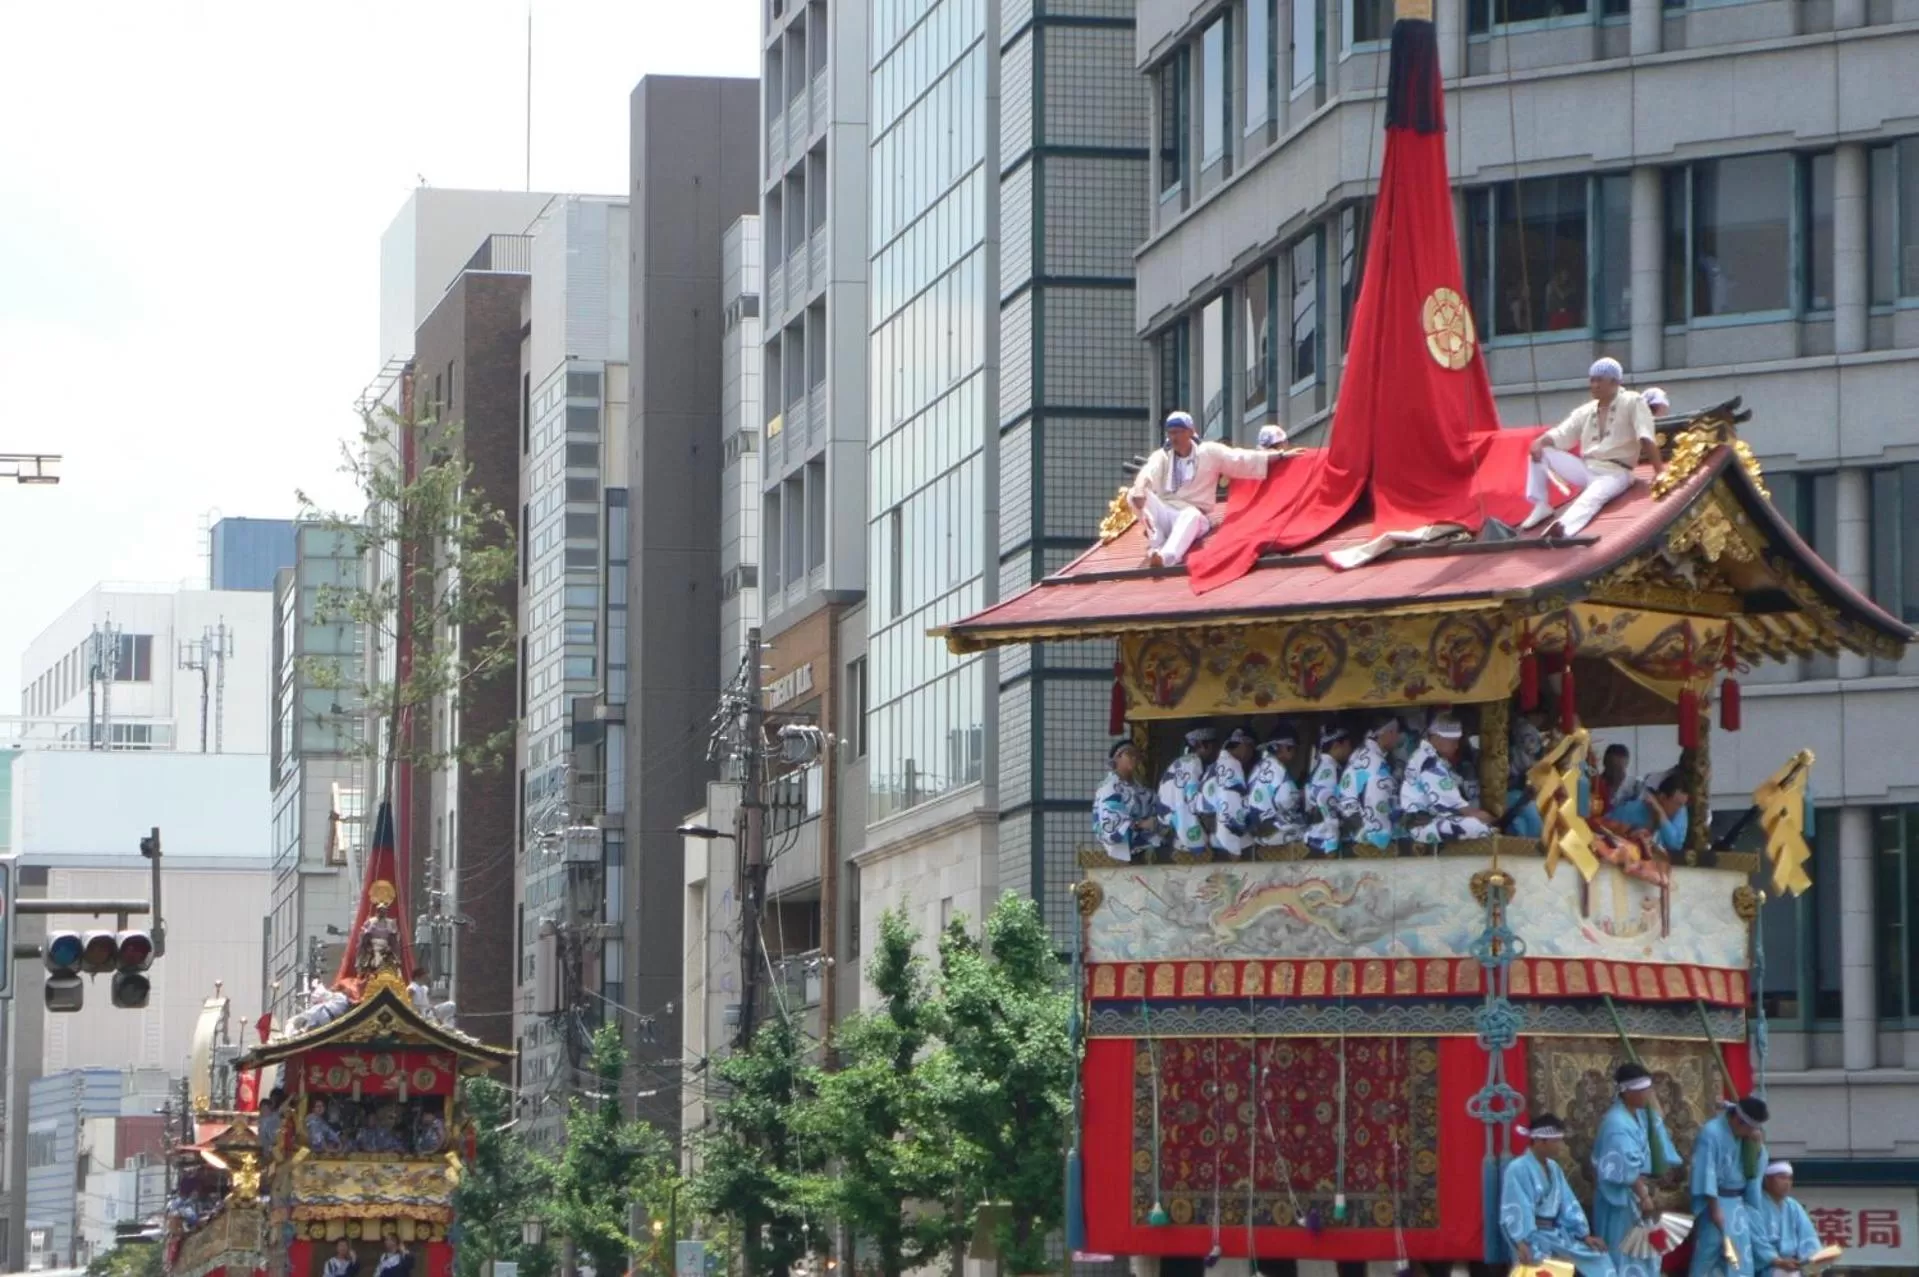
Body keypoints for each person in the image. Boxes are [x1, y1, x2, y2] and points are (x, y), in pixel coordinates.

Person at [1523, 358, 1662, 537]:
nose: (1594, 385)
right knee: (1541, 451)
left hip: (1615, 472)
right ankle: (1541, 504)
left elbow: (1645, 435)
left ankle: (1563, 529)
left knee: (1591, 497)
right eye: (1592, 380)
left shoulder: (1632, 401)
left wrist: (1659, 472)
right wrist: (1540, 442)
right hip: (1586, 468)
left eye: (1599, 380)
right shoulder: (1586, 410)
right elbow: (1563, 433)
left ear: (1615, 382)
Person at [1128, 410, 1278, 568]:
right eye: (1171, 433)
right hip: (1167, 512)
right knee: (1133, 494)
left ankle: (1166, 558)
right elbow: (1146, 472)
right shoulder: (1163, 456)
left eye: (1178, 432)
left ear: (1190, 432)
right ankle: (1156, 543)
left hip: (1194, 515)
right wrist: (1139, 491)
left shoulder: (1208, 452)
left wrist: (1278, 456)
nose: (1174, 437)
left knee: (1190, 515)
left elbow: (1239, 458)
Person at [1592, 1062, 1684, 1277]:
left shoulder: (1638, 1116)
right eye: (1644, 1090)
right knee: (1623, 1253)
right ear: (1628, 1092)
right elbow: (1624, 1169)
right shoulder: (1616, 1124)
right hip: (1620, 1199)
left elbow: (1657, 1124)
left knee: (1643, 1254)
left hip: (1633, 1194)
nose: (1648, 1095)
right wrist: (1643, 1195)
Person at [1502, 1112, 1617, 1277]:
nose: (1560, 1146)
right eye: (1556, 1141)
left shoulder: (1554, 1167)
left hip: (1556, 1234)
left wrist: (1584, 1236)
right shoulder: (1517, 1168)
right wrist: (1521, 1243)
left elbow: (1567, 1202)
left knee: (1599, 1258)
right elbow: (1515, 1208)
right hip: (1531, 1237)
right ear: (1541, 1141)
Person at [1690, 1095, 1771, 1277]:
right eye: (1751, 1127)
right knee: (1708, 1254)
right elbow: (1705, 1171)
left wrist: (1757, 1146)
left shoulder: (1747, 1137)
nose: (1752, 1132)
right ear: (1739, 1120)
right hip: (1716, 1201)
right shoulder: (1711, 1133)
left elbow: (1754, 1170)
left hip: (1738, 1204)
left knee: (1739, 1257)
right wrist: (1714, 1207)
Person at [1400, 714, 1495, 845]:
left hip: (1433, 820)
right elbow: (1453, 803)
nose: (1456, 746)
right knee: (1477, 826)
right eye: (1453, 741)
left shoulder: (1429, 757)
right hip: (1421, 826)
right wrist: (1478, 815)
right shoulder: (1429, 762)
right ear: (1438, 738)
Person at [1338, 713, 1404, 851]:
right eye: (1396, 732)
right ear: (1389, 732)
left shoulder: (1358, 754)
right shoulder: (1376, 764)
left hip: (1351, 829)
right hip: (1369, 835)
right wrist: (1381, 838)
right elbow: (1376, 804)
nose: (1398, 737)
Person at [1093, 741, 1160, 862]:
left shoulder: (1138, 786)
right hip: (1125, 850)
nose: (1134, 758)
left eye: (1136, 755)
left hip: (1147, 843)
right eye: (1130, 754)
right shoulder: (1109, 787)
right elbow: (1112, 822)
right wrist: (1140, 824)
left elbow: (1156, 804)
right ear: (1117, 757)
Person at [1158, 726, 1219, 857]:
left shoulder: (1180, 763)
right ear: (1203, 745)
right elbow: (1187, 804)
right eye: (1213, 746)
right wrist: (1198, 842)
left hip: (1175, 830)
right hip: (1185, 835)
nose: (1215, 751)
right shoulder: (1193, 763)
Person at [1753, 1161, 1822, 1277]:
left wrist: (1811, 1264)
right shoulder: (1756, 1206)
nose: (1787, 1183)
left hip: (1793, 1265)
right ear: (1767, 1180)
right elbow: (1756, 1241)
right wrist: (1778, 1261)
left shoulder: (1793, 1206)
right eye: (1782, 1178)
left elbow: (1808, 1237)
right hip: (1766, 1267)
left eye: (1790, 1179)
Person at [1201, 727, 1260, 857]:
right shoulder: (1232, 765)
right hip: (1227, 835)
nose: (1251, 755)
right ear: (1244, 745)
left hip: (1211, 830)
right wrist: (1232, 843)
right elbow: (1230, 805)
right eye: (1251, 749)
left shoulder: (1214, 766)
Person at [1247, 726, 1306, 847]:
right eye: (1294, 749)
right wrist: (1302, 795)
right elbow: (1286, 800)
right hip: (1274, 832)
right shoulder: (1278, 769)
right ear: (1285, 747)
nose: (1295, 753)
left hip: (1256, 831)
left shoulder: (1258, 767)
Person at [1606, 773, 1691, 856]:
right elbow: (1604, 829)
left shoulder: (1681, 812)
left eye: (1682, 805)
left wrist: (1660, 813)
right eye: (1677, 804)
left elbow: (1675, 845)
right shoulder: (1631, 810)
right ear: (1662, 797)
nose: (1680, 809)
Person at [1305, 724, 1354, 855]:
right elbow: (1326, 800)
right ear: (1337, 745)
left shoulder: (1323, 766)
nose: (1350, 749)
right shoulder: (1328, 769)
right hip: (1323, 839)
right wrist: (1332, 841)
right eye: (1348, 745)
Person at [1592, 743, 1641, 819]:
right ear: (1604, 763)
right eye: (1611, 768)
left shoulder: (1636, 787)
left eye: (1619, 769)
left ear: (1627, 764)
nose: (1615, 773)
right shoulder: (1594, 785)